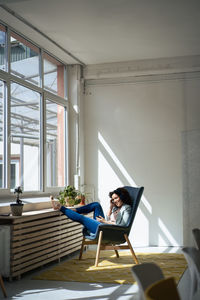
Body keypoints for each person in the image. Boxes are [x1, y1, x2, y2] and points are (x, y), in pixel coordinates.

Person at [51, 187, 132, 236]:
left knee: (82, 218)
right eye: (113, 199)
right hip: (105, 225)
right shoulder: (116, 207)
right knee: (96, 204)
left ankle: (60, 207)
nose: (114, 201)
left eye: (116, 198)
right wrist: (111, 207)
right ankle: (75, 210)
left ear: (122, 197)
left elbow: (122, 225)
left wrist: (105, 222)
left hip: (110, 231)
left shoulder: (126, 208)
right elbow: (108, 218)